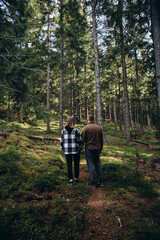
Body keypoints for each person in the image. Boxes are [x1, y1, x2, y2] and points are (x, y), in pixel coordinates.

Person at [82, 115, 104, 188]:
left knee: (91, 165)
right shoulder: (98, 128)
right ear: (93, 119)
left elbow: (83, 139)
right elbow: (101, 140)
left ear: (88, 120)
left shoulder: (85, 128)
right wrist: (101, 149)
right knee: (97, 164)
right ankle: (101, 182)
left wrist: (81, 148)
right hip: (97, 149)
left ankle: (93, 182)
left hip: (89, 149)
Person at [60, 116, 83, 186]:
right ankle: (76, 178)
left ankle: (70, 180)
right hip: (75, 149)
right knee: (76, 164)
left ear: (67, 121)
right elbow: (79, 140)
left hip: (67, 150)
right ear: (74, 122)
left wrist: (62, 148)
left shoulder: (63, 130)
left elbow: (62, 141)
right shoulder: (76, 130)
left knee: (69, 164)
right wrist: (81, 148)